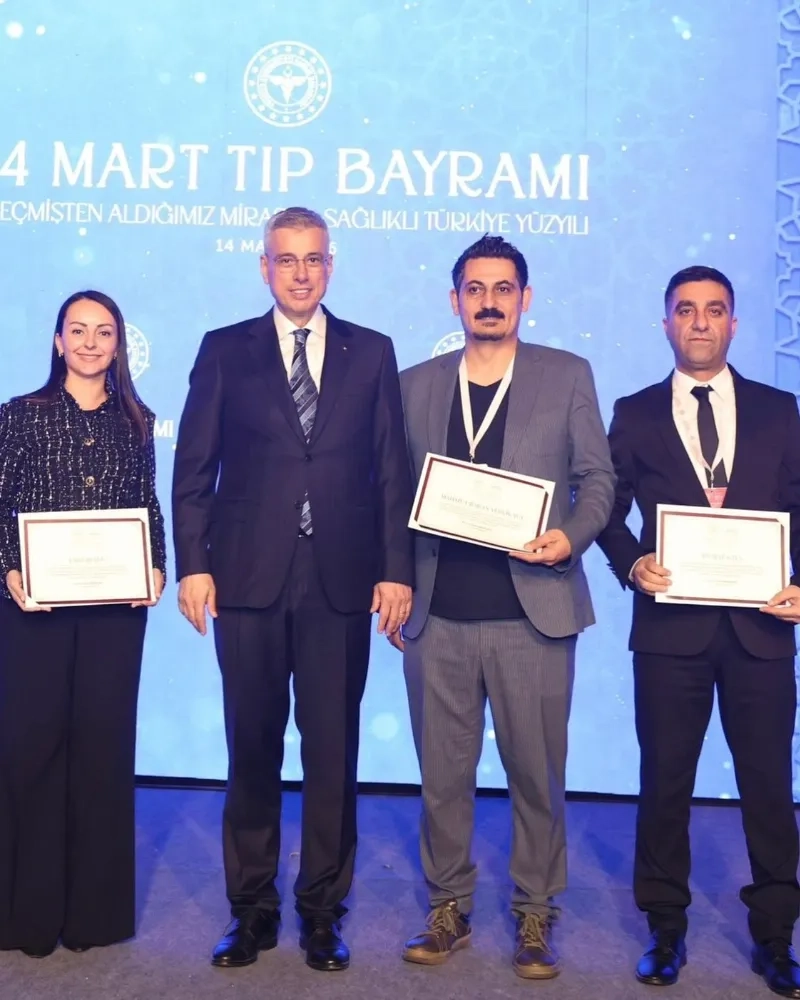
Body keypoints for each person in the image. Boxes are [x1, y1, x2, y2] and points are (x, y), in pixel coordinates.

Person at [172, 206, 414, 972]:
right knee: (251, 746)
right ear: (265, 267)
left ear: (330, 266)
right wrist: (193, 563)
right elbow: (193, 467)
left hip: (341, 580)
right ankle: (250, 910)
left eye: (314, 259)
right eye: (287, 259)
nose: (301, 273)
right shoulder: (224, 350)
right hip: (246, 579)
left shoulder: (371, 352)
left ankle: (321, 912)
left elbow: (392, 469)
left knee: (332, 751)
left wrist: (396, 569)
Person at [393, 234, 615, 978]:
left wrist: (570, 537)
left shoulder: (566, 374)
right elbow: (390, 494)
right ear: (454, 299)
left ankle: (535, 912)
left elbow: (598, 479)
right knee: (441, 778)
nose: (489, 301)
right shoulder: (415, 384)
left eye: (503, 288)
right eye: (475, 288)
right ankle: (447, 906)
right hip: (437, 616)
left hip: (535, 615)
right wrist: (391, 583)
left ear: (525, 297)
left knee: (537, 776)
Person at [596, 265, 800, 997]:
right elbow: (605, 509)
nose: (701, 322)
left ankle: (776, 937)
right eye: (686, 310)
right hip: (669, 633)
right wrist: (632, 563)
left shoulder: (780, 410)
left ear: (734, 324)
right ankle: (665, 928)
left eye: (715, 310)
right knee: (665, 783)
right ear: (667, 324)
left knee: (769, 787)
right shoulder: (636, 412)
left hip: (761, 632)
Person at [0, 290, 166, 958]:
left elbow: (148, 504)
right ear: (58, 340)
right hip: (32, 613)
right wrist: (8, 570)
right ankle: (27, 916)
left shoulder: (136, 421)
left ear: (118, 344)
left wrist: (157, 565)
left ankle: (94, 918)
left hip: (113, 617)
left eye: (104, 332)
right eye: (79, 330)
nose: (91, 343)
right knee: (31, 752)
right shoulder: (21, 415)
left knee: (102, 754)